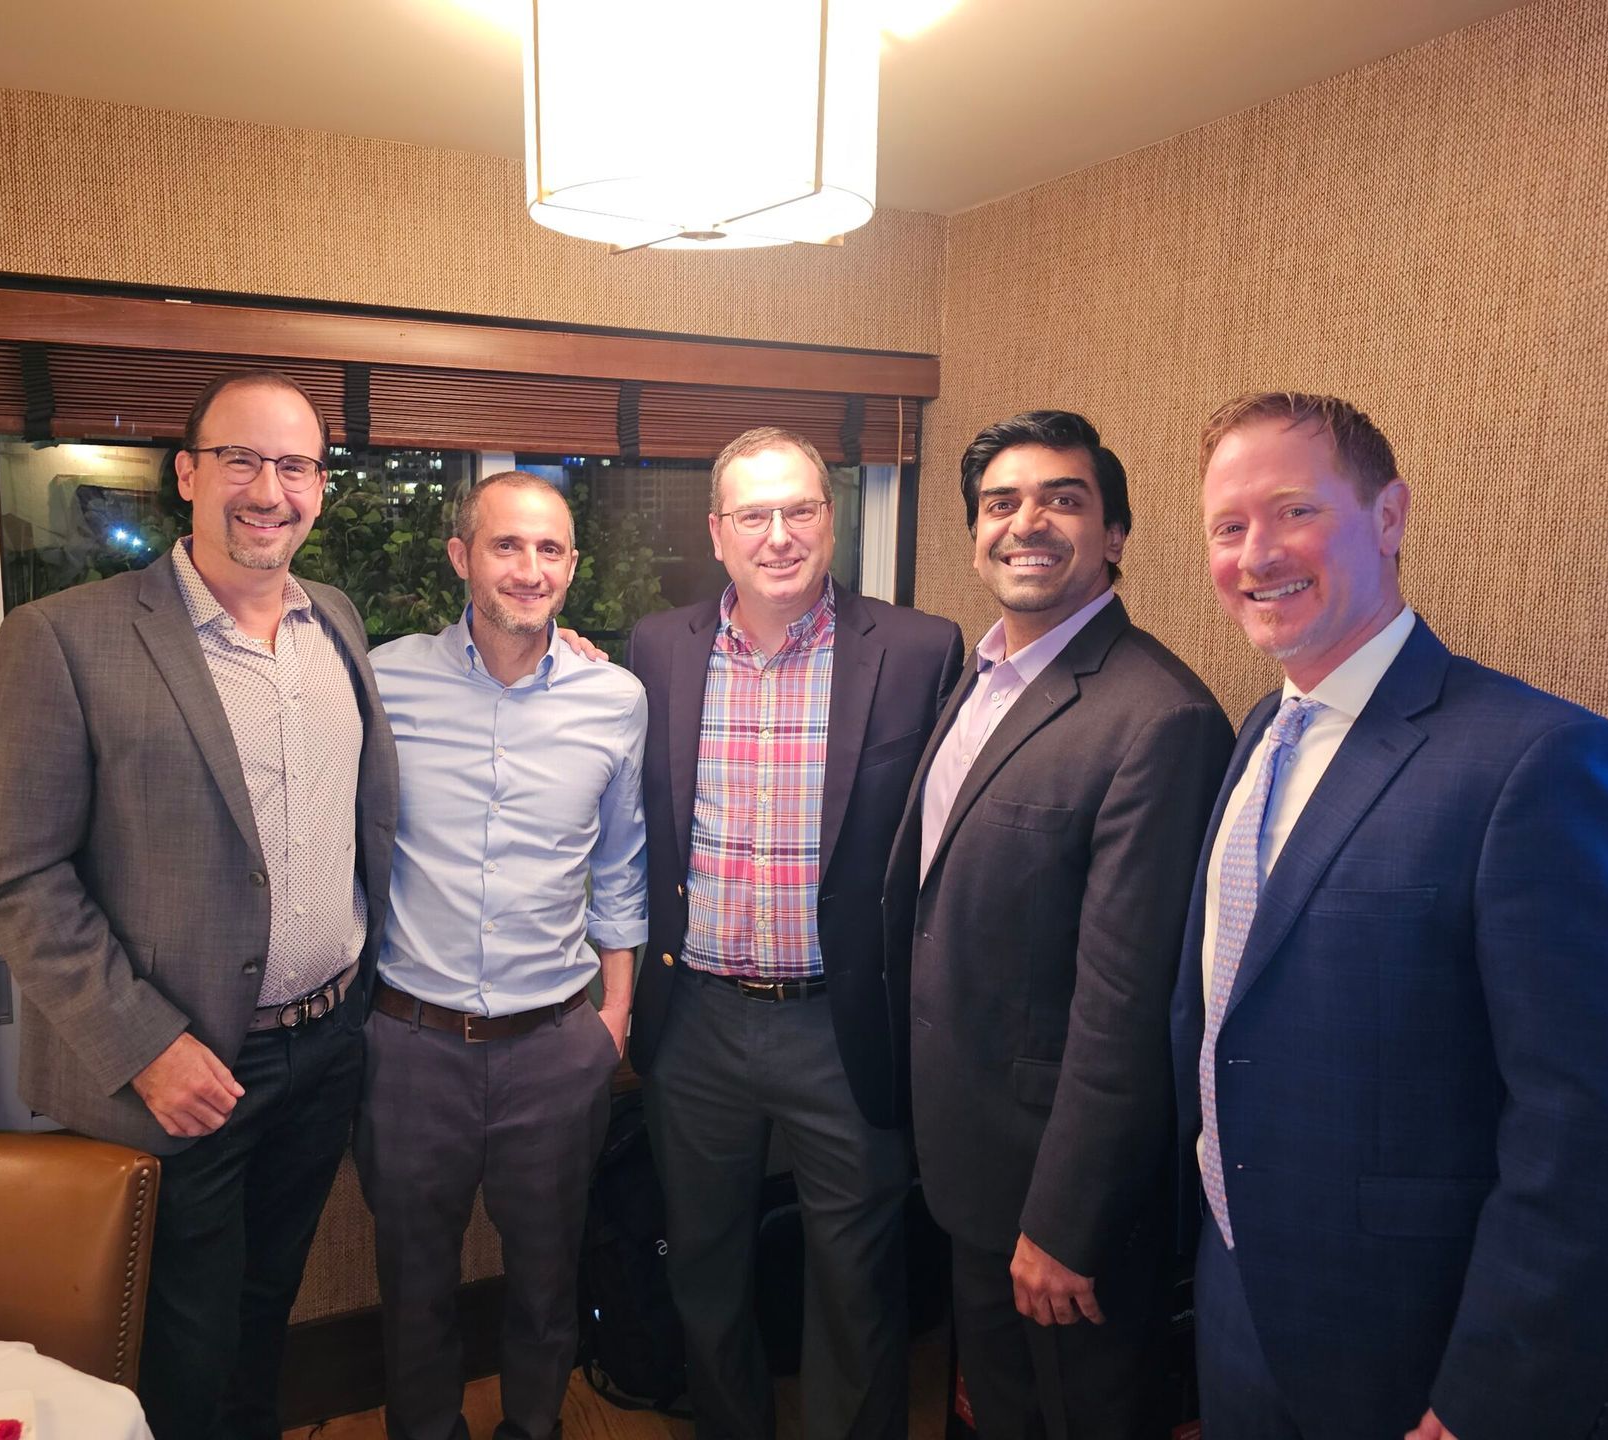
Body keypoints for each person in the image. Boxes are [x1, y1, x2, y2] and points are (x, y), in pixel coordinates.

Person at [1175, 391, 1608, 1440]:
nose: (1256, 553)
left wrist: (1489, 1400)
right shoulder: (1261, 731)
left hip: (1424, 1358)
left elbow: (1598, 1135)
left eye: (1294, 511)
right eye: (1228, 526)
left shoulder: (1543, 762)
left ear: (1389, 517)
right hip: (1242, 1309)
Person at [0, 369, 398, 1440]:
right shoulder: (63, 638)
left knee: (265, 1316)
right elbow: (17, 877)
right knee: (183, 1349)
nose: (270, 488)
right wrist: (146, 1045)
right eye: (242, 460)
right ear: (188, 474)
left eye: (295, 465)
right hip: (185, 1072)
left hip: (326, 1047)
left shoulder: (333, 622)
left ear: (321, 488)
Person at [884, 410, 1231, 1437]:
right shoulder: (979, 676)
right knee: (999, 1410)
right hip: (970, 1164)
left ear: (1115, 535)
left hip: (1057, 1204)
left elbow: (1125, 1006)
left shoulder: (1157, 718)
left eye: (1062, 499)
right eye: (1001, 503)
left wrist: (1065, 1221)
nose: (1025, 522)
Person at [627, 426, 963, 1439]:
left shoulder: (918, 649)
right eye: (754, 515)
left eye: (801, 510)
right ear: (718, 532)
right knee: (705, 1268)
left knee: (856, 1284)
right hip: (694, 1022)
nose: (780, 535)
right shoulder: (657, 648)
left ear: (831, 518)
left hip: (842, 1024)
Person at [356, 471, 647, 1440]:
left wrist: (614, 1021)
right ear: (461, 558)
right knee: (417, 1294)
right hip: (411, 1048)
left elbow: (620, 867)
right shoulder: (383, 680)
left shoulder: (617, 699)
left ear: (572, 566)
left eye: (550, 549)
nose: (529, 569)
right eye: (506, 546)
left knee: (546, 1288)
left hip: (555, 1047)